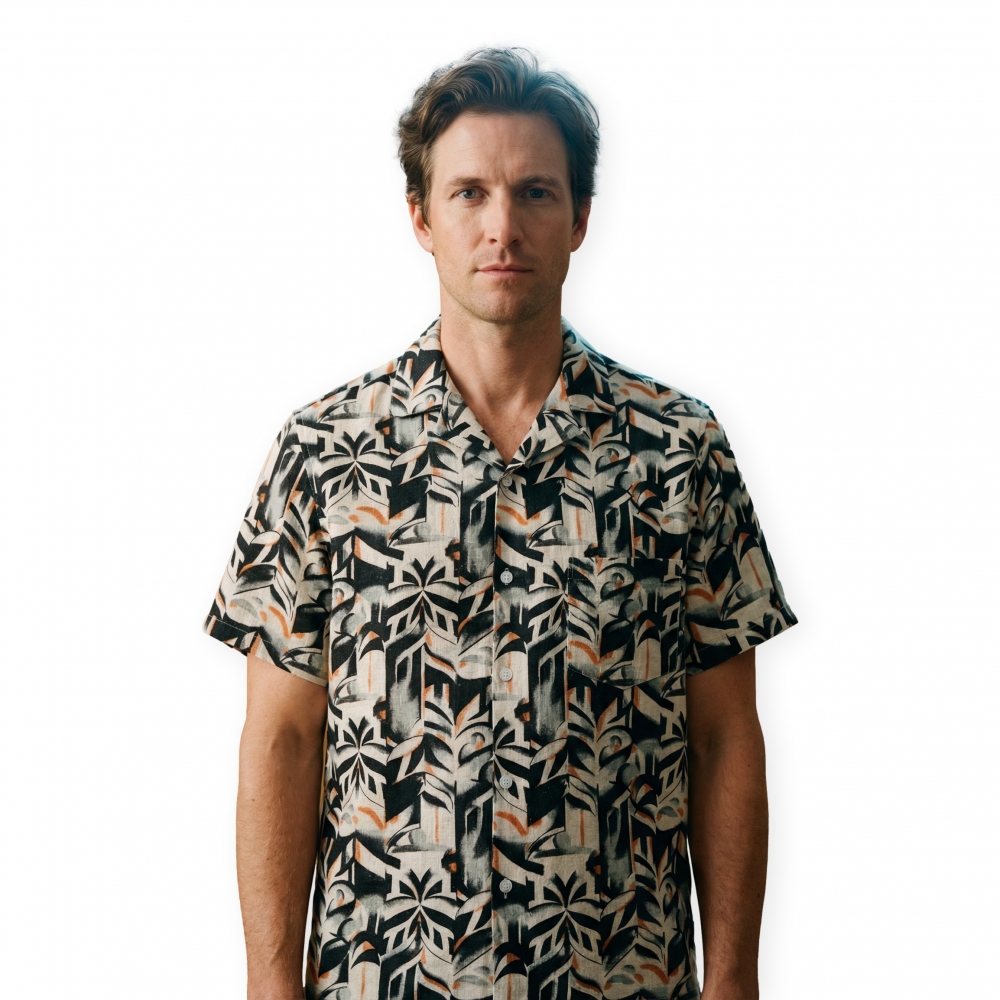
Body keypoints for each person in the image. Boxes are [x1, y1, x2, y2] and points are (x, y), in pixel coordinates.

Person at [204, 46, 797, 1000]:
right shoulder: (324, 452)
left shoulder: (678, 451)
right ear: (420, 217)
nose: (503, 227)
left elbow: (725, 737)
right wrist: (268, 987)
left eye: (535, 193)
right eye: (470, 193)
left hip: (621, 976)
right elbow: (281, 740)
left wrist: (734, 981)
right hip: (382, 979)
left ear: (581, 218)